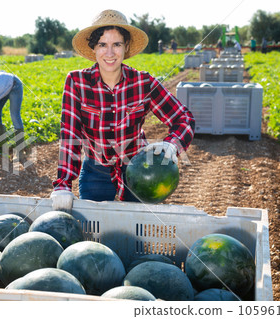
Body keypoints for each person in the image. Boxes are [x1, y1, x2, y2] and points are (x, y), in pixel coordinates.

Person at [50, 9, 195, 212]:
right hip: (95, 171)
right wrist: (63, 184)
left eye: (116, 44)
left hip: (140, 171)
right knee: (96, 236)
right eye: (102, 45)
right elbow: (70, 134)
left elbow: (183, 118)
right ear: (93, 48)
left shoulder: (143, 83)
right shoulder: (77, 82)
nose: (109, 53)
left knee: (136, 234)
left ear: (126, 47)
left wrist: (172, 145)